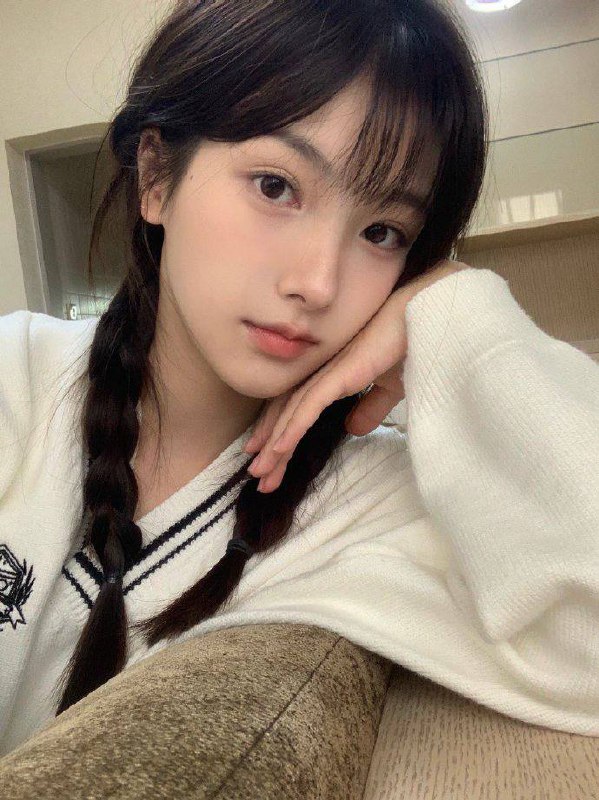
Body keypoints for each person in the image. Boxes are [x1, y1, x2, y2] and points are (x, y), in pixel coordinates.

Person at [1, 0, 598, 757]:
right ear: (155, 174)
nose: (318, 283)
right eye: (276, 186)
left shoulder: (374, 502)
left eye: (382, 232)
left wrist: (457, 310)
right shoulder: (16, 380)